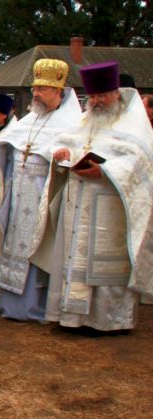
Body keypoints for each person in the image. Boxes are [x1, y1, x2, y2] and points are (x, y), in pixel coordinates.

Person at [40, 61, 153, 332]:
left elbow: (140, 162)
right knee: (74, 256)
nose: (97, 101)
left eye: (102, 95)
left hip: (111, 204)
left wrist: (105, 171)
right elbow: (60, 143)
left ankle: (108, 320)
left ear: (116, 93)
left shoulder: (133, 124)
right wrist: (60, 154)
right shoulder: (85, 120)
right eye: (92, 97)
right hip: (78, 200)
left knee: (103, 264)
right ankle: (72, 317)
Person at [0, 59, 83, 322]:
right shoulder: (31, 119)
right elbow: (7, 144)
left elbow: (77, 152)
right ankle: (11, 305)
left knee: (38, 246)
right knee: (14, 244)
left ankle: (36, 306)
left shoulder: (72, 124)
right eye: (34, 88)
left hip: (44, 195)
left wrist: (64, 156)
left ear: (58, 92)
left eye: (42, 89)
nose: (35, 94)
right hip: (18, 192)